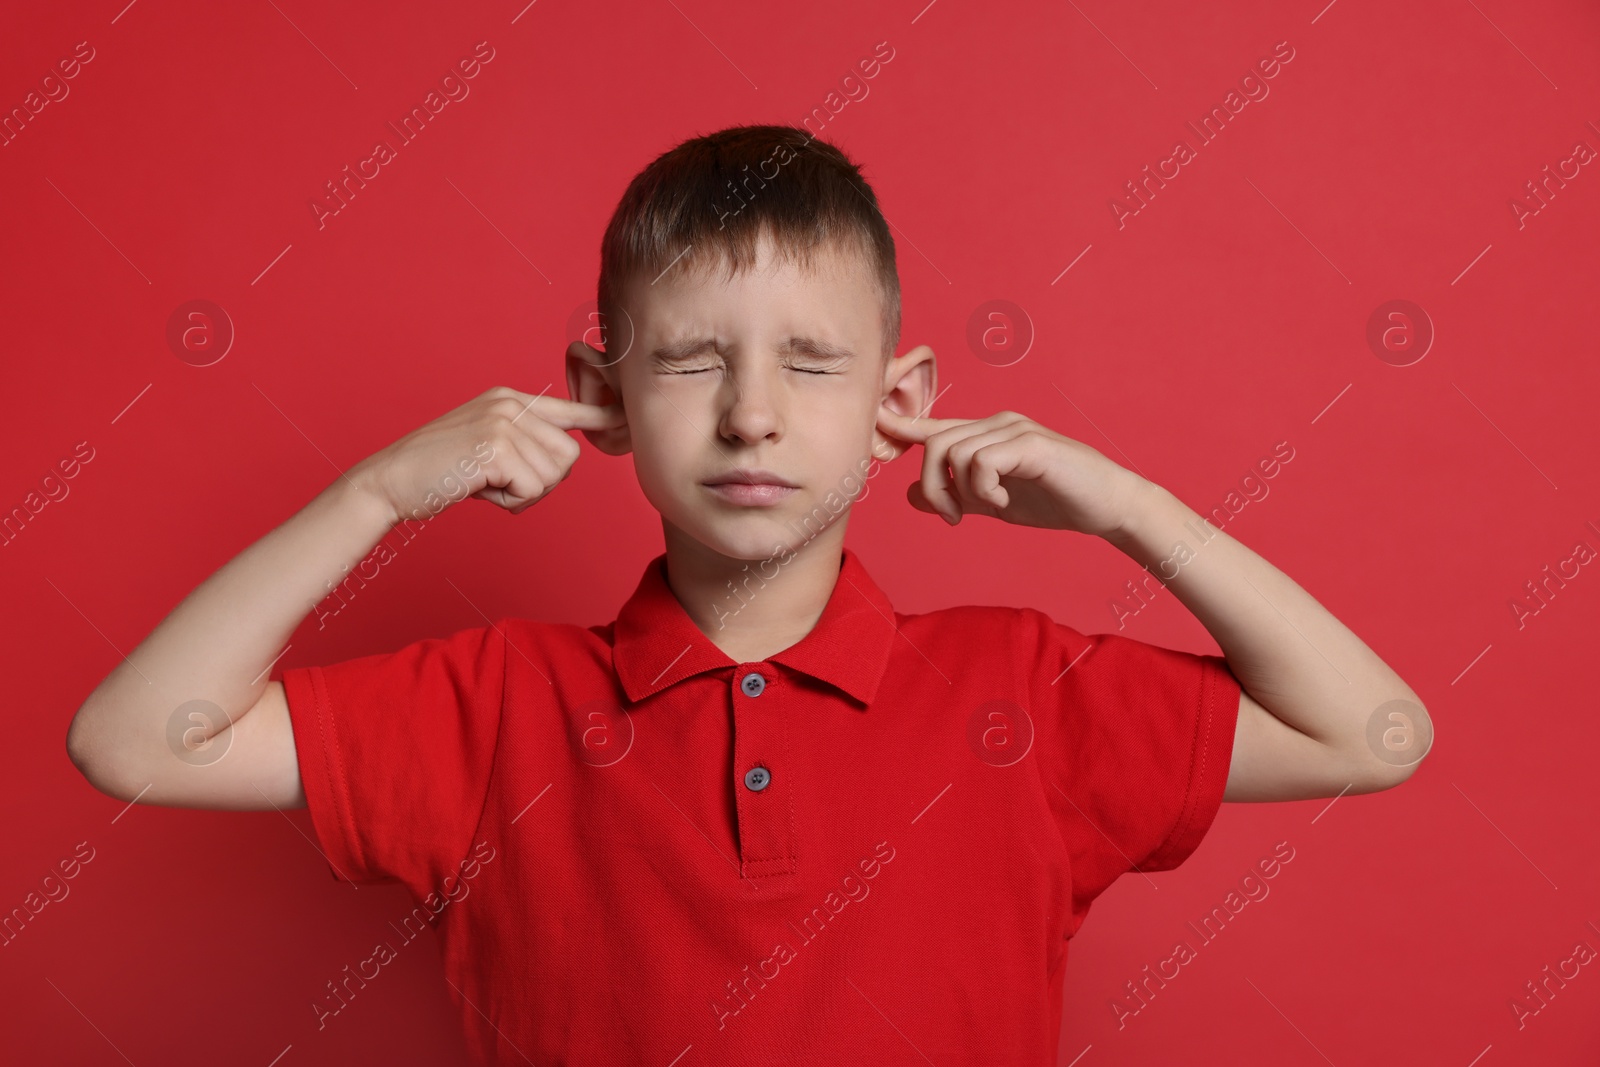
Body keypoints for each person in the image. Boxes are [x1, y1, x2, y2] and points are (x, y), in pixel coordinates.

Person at [65, 124, 1432, 1064]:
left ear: (901, 403)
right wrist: (373, 495)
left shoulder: (1025, 696)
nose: (753, 418)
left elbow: (1373, 733)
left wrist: (1126, 508)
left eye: (813, 363)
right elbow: (135, 738)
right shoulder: (494, 707)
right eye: (692, 362)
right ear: (603, 395)